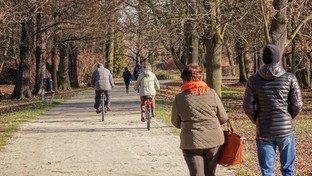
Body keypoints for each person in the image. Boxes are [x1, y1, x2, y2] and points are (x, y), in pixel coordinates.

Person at [243, 44, 303, 176]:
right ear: (278, 59)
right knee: (288, 169)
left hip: (264, 129)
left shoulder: (253, 80)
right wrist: (287, 117)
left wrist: (257, 119)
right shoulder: (290, 78)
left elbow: (247, 106)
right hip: (285, 130)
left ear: (264, 59)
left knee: (267, 171)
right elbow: (298, 104)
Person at [171, 63, 229, 176]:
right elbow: (223, 117)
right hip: (213, 140)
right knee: (210, 173)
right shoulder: (212, 93)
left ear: (184, 79)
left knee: (196, 173)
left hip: (191, 142)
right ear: (201, 77)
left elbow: (175, 122)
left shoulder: (179, 98)